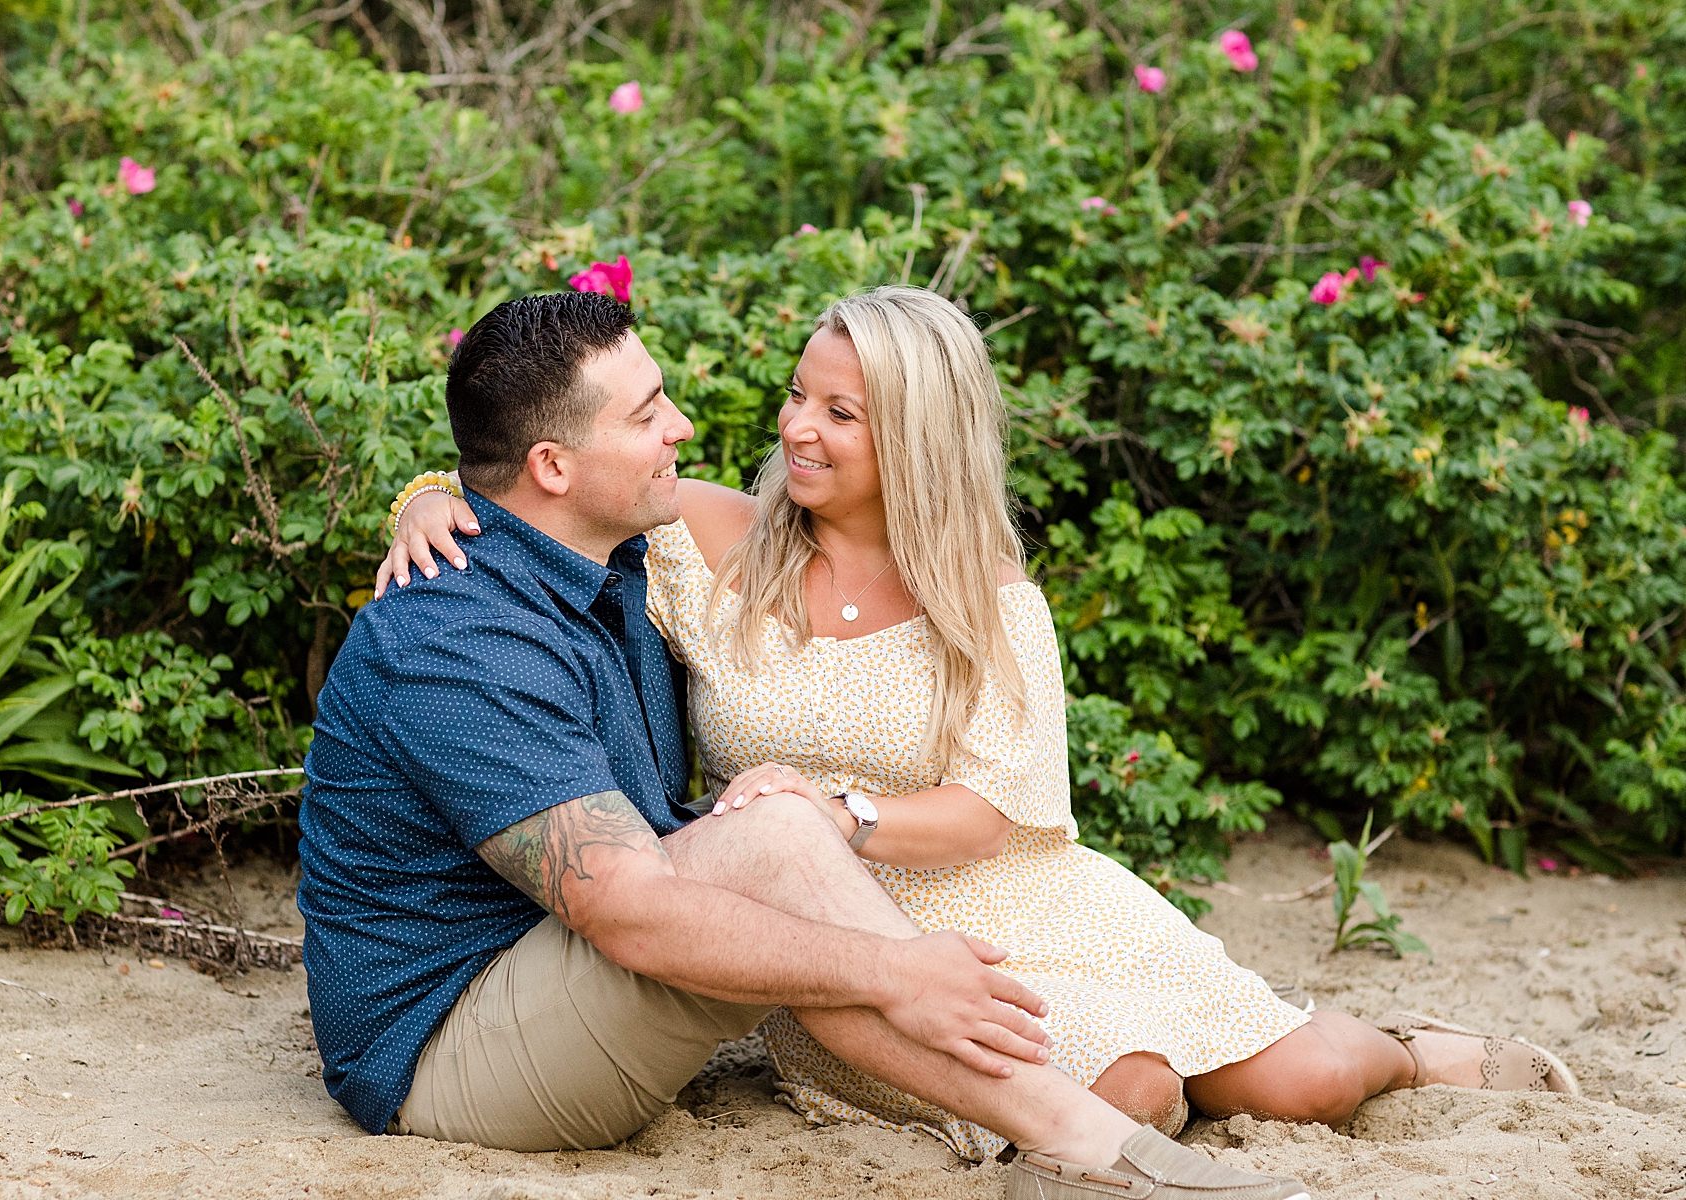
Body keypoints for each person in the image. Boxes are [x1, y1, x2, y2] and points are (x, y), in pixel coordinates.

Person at [380, 287, 1579, 1170]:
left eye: (842, 412)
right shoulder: (700, 542)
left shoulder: (979, 583)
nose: (797, 427)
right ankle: (1117, 1126)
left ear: (913, 432)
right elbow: (538, 495)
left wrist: (844, 815)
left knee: (1309, 1078)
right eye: (800, 395)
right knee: (1139, 1081)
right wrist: (425, 499)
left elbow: (1001, 808)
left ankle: (1408, 1051)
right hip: (823, 933)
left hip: (1010, 891)